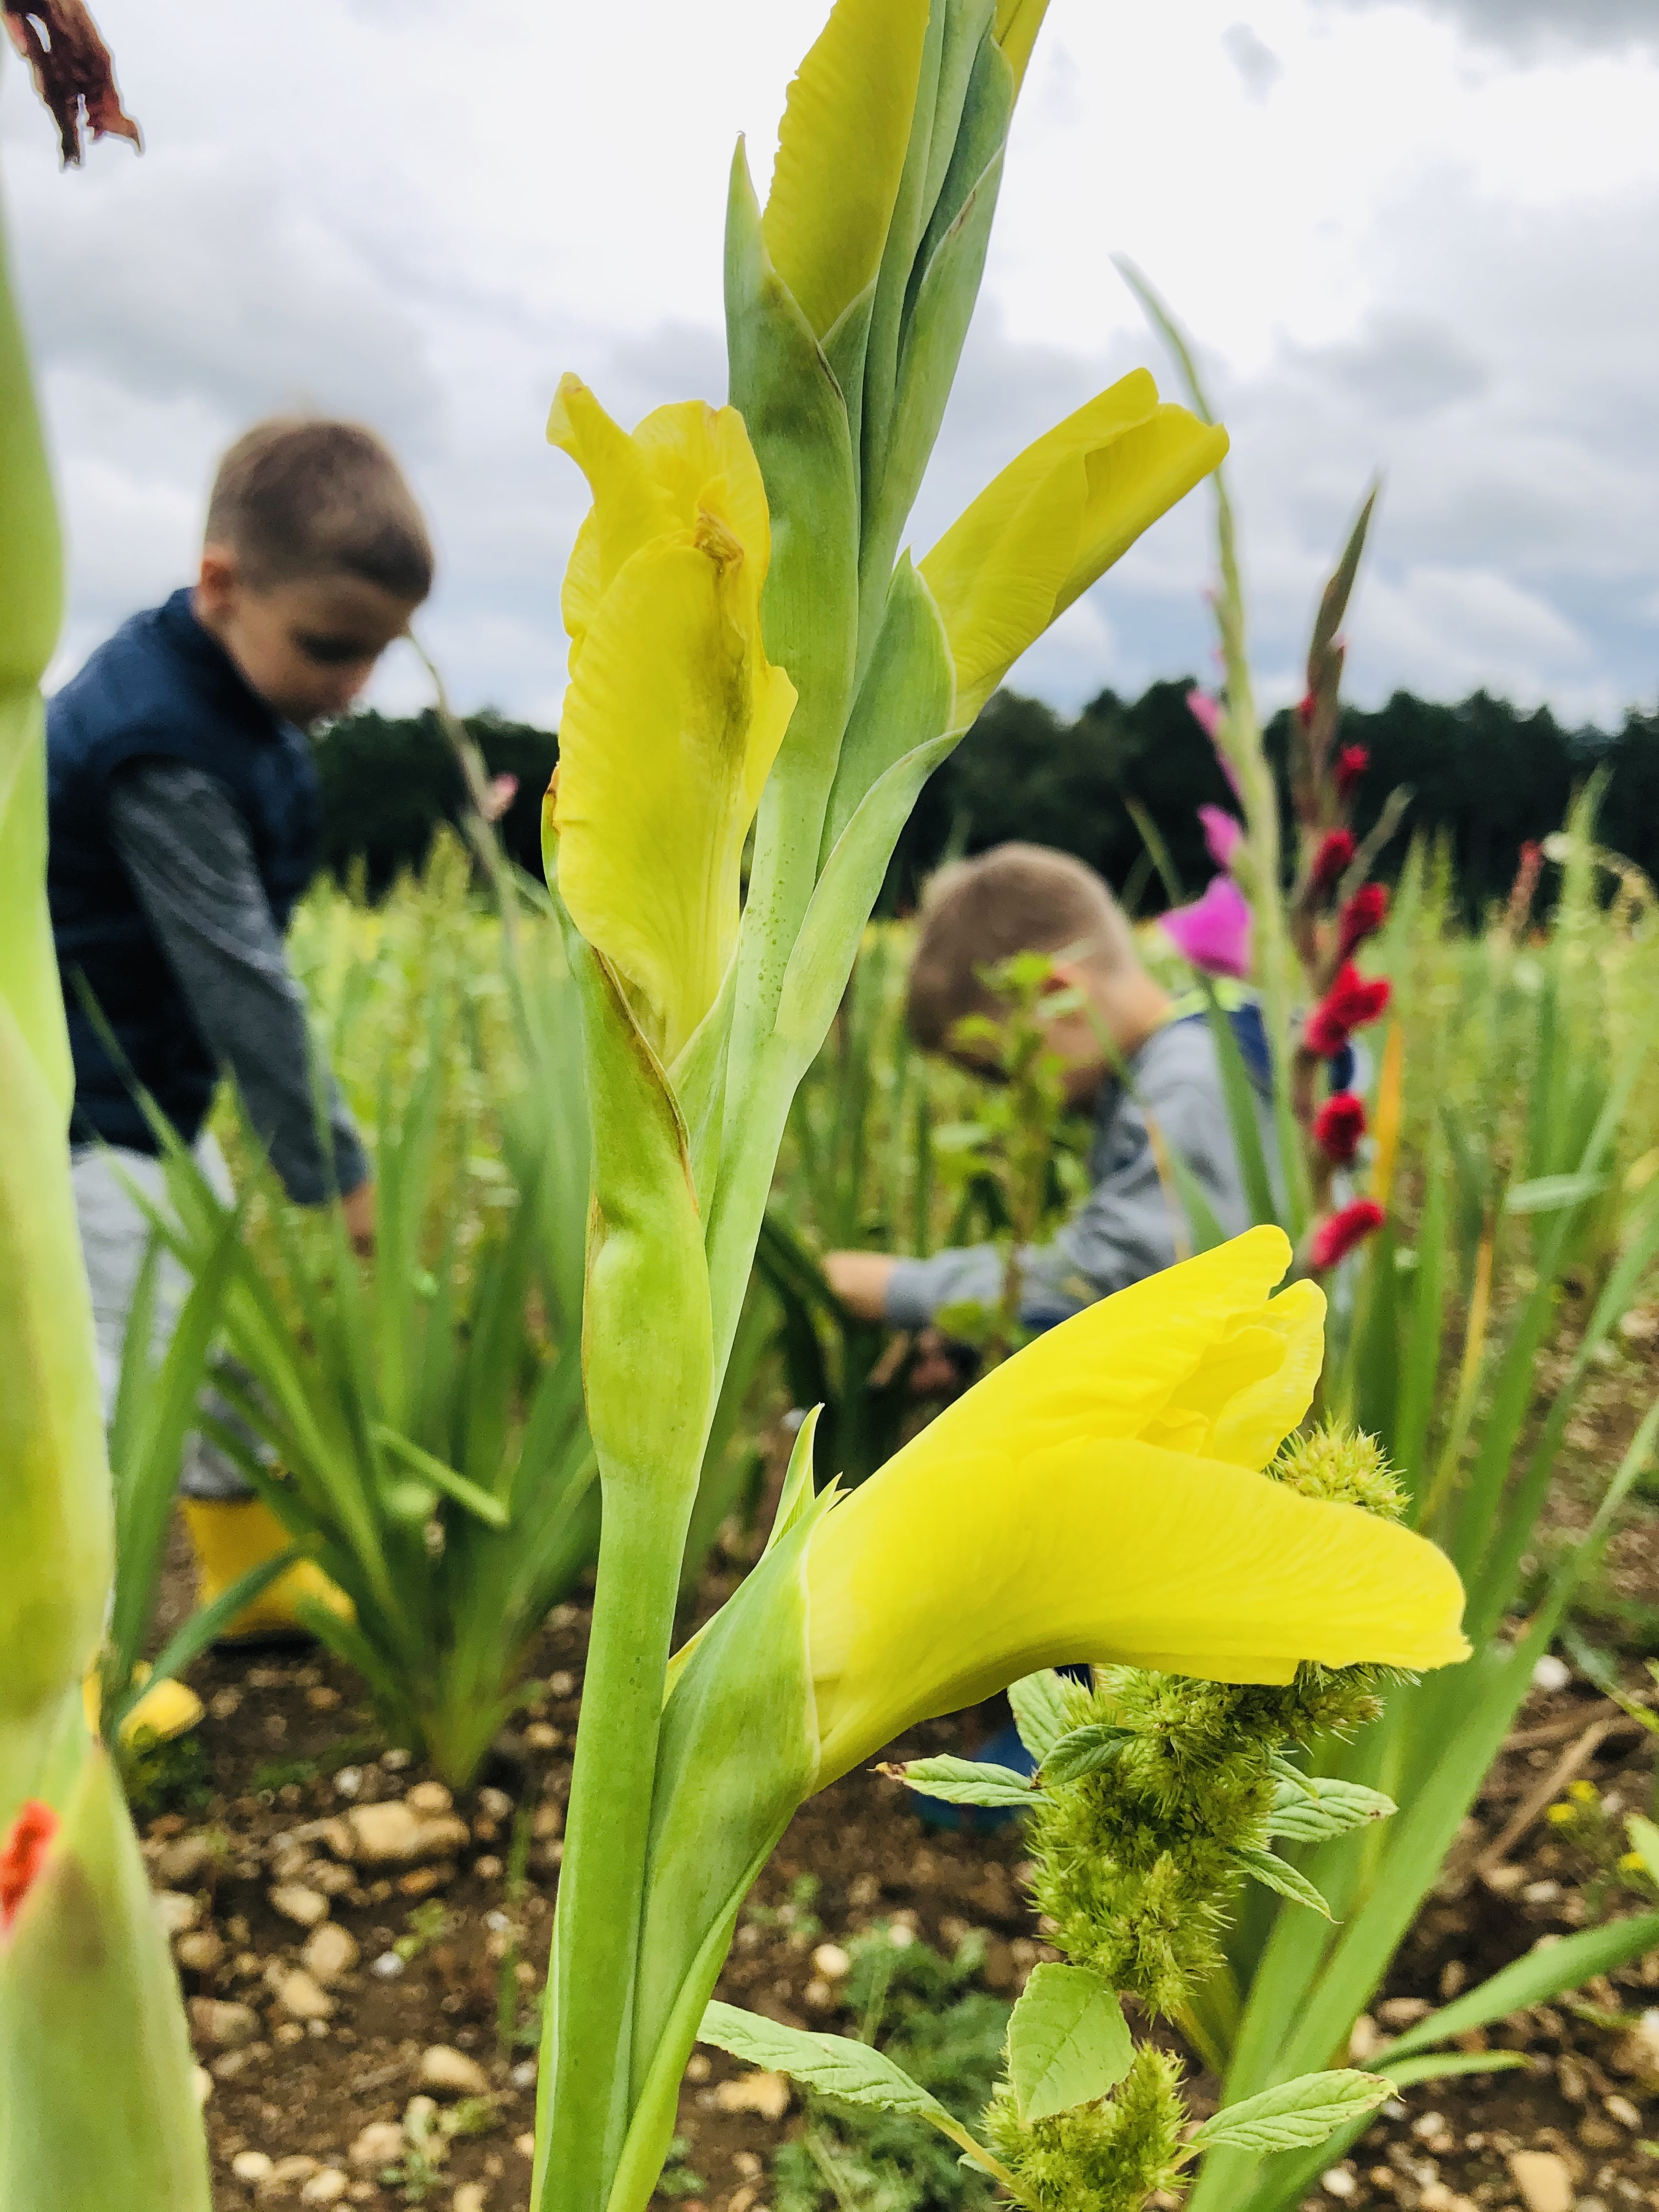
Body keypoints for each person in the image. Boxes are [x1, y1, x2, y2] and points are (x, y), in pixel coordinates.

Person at [48, 416, 433, 1640]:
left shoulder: (232, 699)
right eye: (331, 648)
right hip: (74, 1109)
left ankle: (248, 1584)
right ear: (222, 585)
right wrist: (336, 1171)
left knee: (210, 1334)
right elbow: (242, 981)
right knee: (110, 1389)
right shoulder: (155, 742)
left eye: (378, 654)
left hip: (143, 1097)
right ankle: (72, 1686)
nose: (353, 684)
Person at [825, 839, 1273, 1344]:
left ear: (1061, 996)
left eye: (999, 1070)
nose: (1006, 1099)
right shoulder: (1182, 1061)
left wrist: (903, 1289)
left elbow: (1126, 1279)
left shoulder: (1190, 1081)